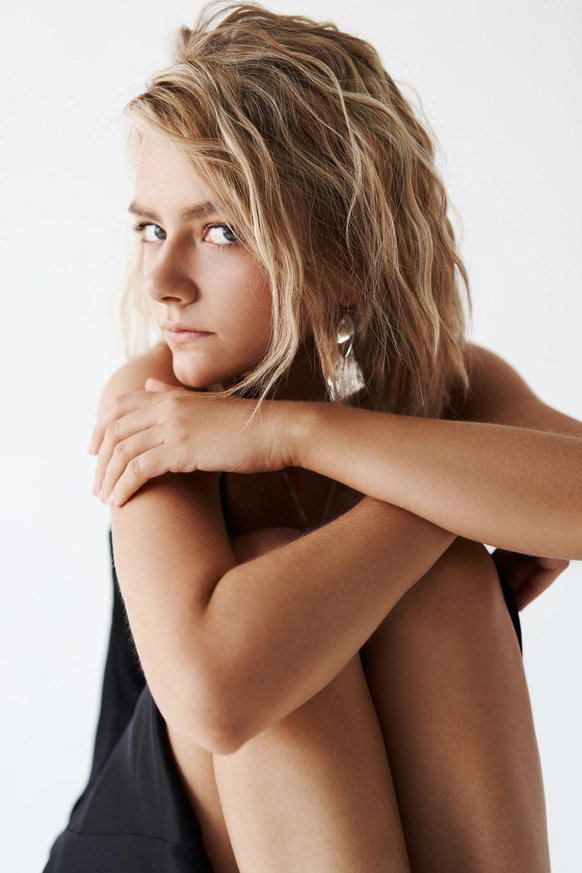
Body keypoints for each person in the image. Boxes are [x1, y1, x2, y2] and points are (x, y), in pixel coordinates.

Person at [43, 3, 580, 871]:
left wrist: (296, 432)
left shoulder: (448, 383)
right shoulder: (155, 406)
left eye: (220, 231)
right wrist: (456, 495)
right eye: (151, 229)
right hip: (151, 852)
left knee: (443, 587)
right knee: (274, 591)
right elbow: (217, 695)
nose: (163, 280)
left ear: (344, 256)